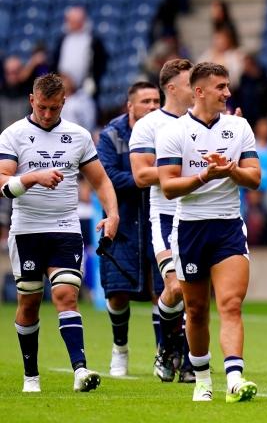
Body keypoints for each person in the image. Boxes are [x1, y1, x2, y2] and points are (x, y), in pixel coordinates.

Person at [0, 73, 118, 392]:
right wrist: (33, 177)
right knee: (29, 303)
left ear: (64, 103)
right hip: (27, 230)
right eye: (42, 107)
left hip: (65, 227)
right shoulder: (13, 135)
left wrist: (113, 213)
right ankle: (31, 376)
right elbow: (3, 184)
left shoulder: (78, 136)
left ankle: (80, 370)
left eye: (54, 108)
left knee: (66, 295)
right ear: (32, 100)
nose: (47, 114)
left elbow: (100, 180)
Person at [156, 62, 260, 403]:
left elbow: (255, 177)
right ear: (199, 91)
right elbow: (168, 187)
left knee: (231, 304)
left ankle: (234, 379)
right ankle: (202, 380)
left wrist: (231, 171)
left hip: (228, 225)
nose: (227, 93)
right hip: (190, 228)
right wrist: (205, 176)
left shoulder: (239, 126)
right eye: (221, 87)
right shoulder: (174, 131)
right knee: (197, 310)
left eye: (227, 86)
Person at [129, 59, 196, 383]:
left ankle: (190, 360)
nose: (196, 88)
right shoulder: (149, 125)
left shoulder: (207, 120)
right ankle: (168, 347)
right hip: (166, 214)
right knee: (175, 287)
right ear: (171, 88)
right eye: (190, 83)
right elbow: (141, 175)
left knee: (194, 292)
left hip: (200, 214)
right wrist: (180, 169)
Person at [96, 81, 162, 377]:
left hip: (157, 219)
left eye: (156, 101)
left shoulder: (170, 129)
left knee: (161, 289)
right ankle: (120, 348)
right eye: (145, 101)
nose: (152, 106)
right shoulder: (111, 134)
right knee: (117, 291)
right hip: (121, 222)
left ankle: (164, 352)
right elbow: (106, 176)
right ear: (130, 106)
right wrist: (148, 177)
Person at [51, 6, 108, 100]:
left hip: (85, 89)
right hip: (63, 88)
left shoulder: (93, 40)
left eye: (77, 21)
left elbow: (100, 62)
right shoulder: (62, 40)